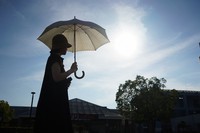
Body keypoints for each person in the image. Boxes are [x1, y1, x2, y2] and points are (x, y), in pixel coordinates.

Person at [34, 34, 77, 133]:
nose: (66, 49)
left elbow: (56, 81)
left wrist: (65, 83)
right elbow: (57, 77)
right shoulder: (54, 59)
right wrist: (71, 70)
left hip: (54, 102)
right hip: (53, 104)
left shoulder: (55, 59)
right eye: (65, 46)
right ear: (60, 46)